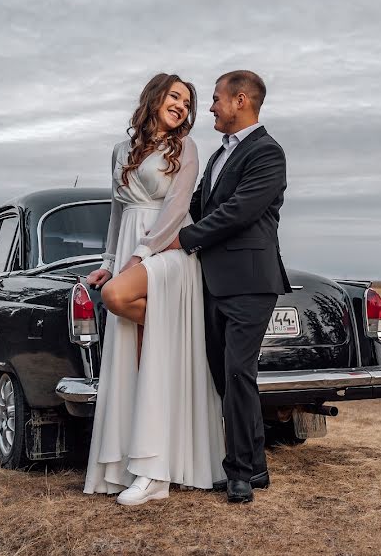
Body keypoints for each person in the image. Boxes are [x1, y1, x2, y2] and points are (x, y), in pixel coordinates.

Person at [83, 73, 225, 505]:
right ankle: (138, 467)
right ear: (155, 96)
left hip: (167, 253)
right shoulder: (119, 150)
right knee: (137, 359)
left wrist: (139, 257)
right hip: (128, 245)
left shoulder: (186, 148)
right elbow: (115, 211)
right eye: (175, 96)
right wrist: (109, 263)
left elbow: (178, 209)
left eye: (189, 102)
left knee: (117, 299)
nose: (182, 106)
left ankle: (155, 473)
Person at [165, 70, 291, 504]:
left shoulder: (268, 153)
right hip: (211, 280)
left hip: (250, 283)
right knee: (224, 376)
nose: (212, 108)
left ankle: (239, 472)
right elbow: (197, 205)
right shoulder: (218, 155)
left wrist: (184, 239)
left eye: (217, 99)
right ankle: (255, 464)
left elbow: (239, 211)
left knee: (239, 372)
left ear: (241, 100)